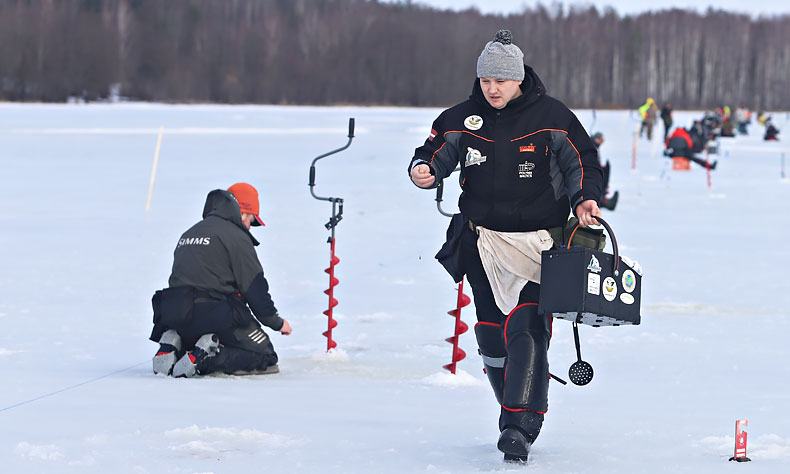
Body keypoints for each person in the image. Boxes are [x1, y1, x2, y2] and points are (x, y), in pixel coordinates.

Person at [408, 30, 602, 463]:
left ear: (518, 80)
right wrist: (424, 169)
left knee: (527, 330)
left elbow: (581, 161)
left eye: (500, 81)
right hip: (483, 243)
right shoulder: (462, 117)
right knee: (492, 335)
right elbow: (434, 151)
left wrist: (585, 196)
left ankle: (518, 426)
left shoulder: (552, 117)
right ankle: (513, 406)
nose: (491, 89)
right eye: (485, 81)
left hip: (540, 245)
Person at [149, 182, 293, 378]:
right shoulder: (236, 236)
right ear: (242, 213)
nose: (250, 227)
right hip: (215, 315)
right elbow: (255, 289)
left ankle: (176, 346)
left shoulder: (190, 233)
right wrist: (277, 323)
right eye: (252, 220)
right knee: (265, 357)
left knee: (201, 339)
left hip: (175, 316)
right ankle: (206, 359)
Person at [590, 132, 618, 210]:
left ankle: (603, 200)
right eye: (601, 141)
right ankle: (603, 201)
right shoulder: (592, 147)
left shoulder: (593, 146)